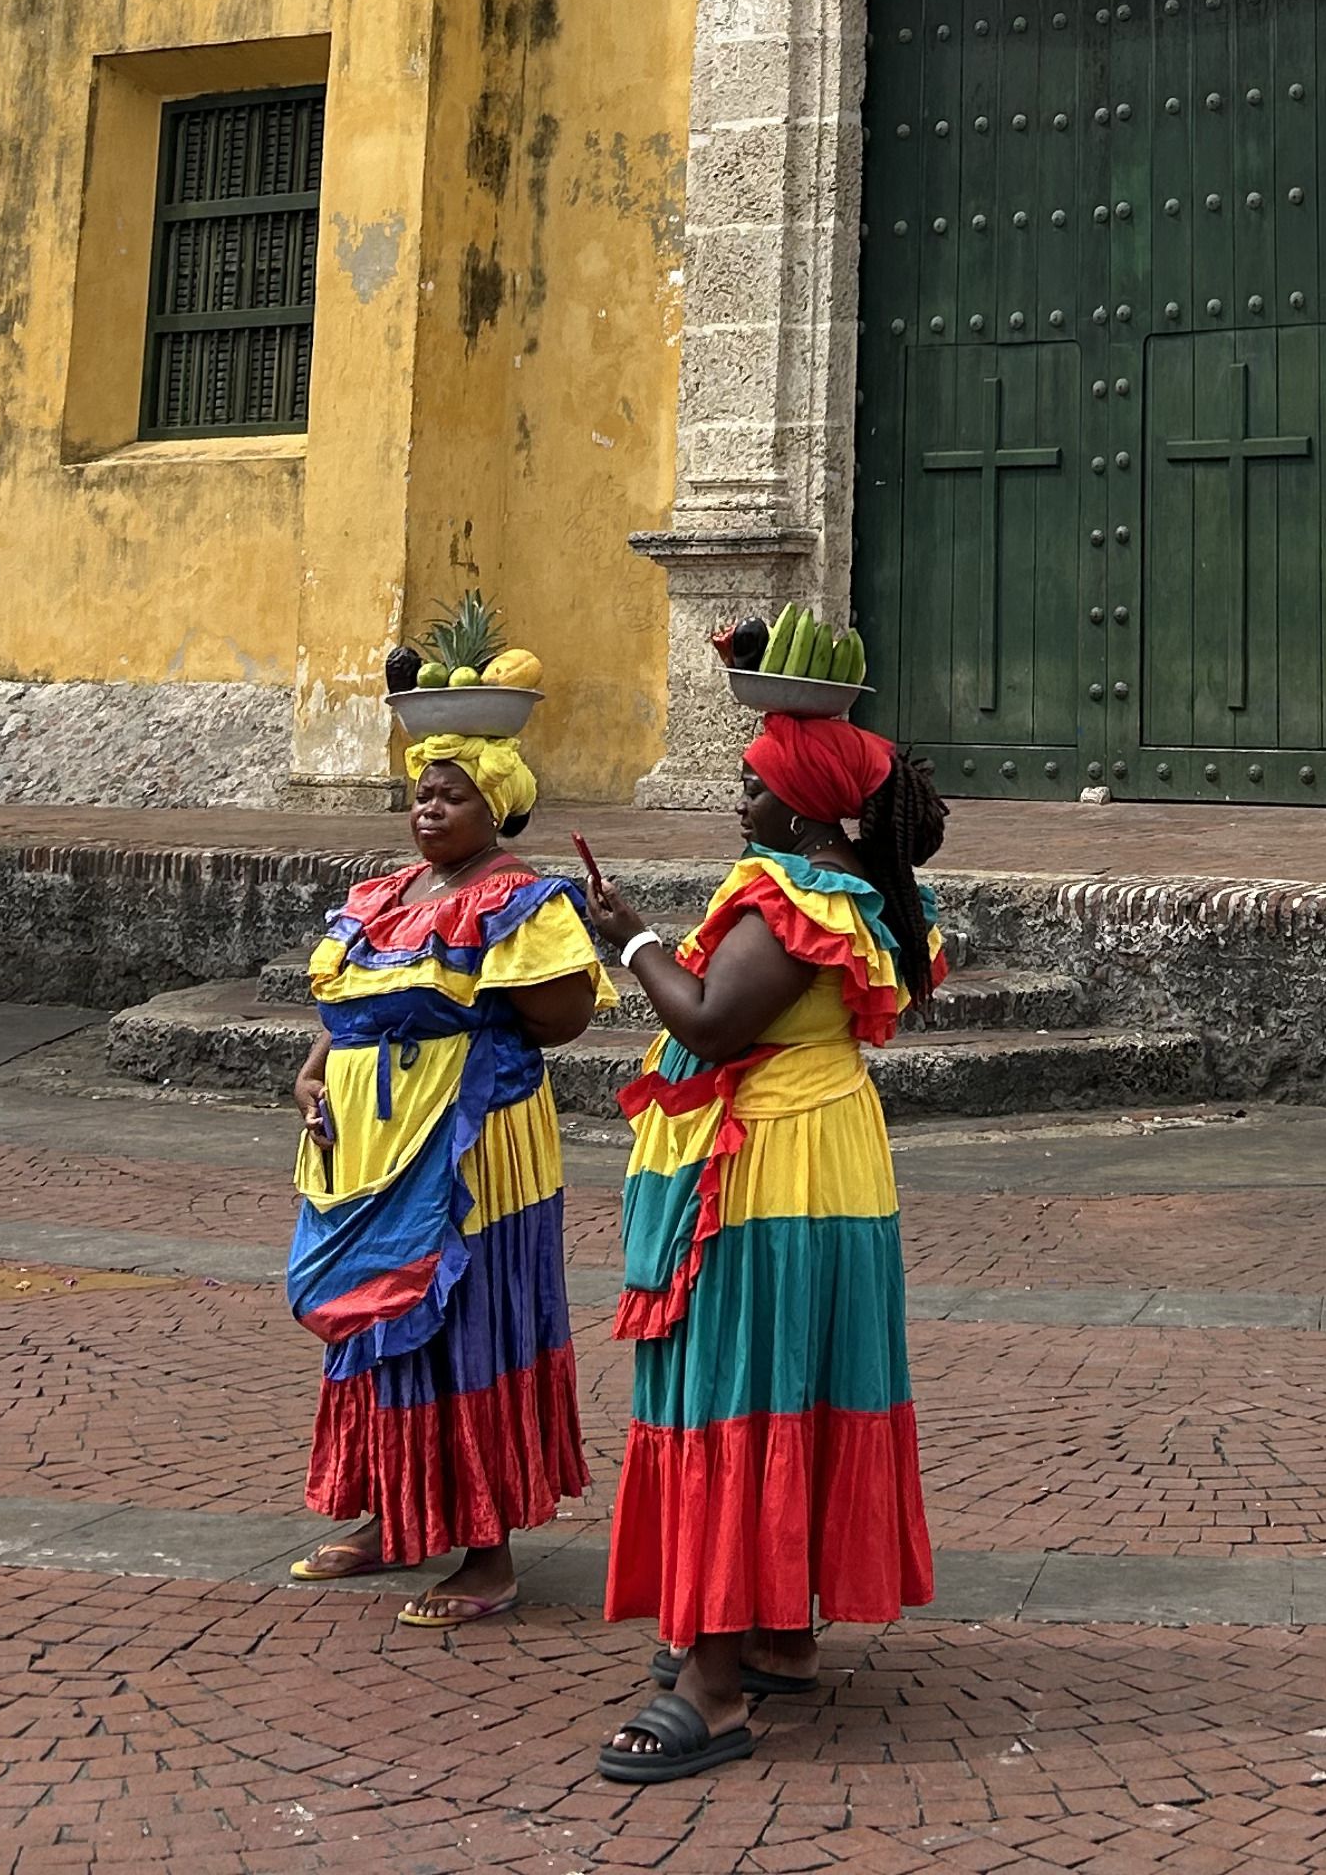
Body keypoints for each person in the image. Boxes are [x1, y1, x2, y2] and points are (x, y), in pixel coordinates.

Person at [582, 711, 946, 1786]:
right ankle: (775, 1625)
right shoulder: (859, 895)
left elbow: (706, 1023)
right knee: (796, 1380)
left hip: (769, 1179)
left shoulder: (795, 899)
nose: (737, 804)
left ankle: (714, 1684)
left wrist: (636, 941)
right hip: (822, 1161)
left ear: (801, 805)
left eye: (750, 786)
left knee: (735, 1391)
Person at [283, 728, 612, 1628]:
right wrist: (315, 1072)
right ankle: (396, 1512)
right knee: (373, 1318)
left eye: (453, 795)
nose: (429, 807)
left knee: (461, 1313)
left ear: (495, 807)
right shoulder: (387, 895)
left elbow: (560, 1018)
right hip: (362, 1145)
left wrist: (517, 967)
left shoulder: (520, 899)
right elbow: (351, 1008)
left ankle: (487, 1551)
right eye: (422, 792)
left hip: (470, 1146)